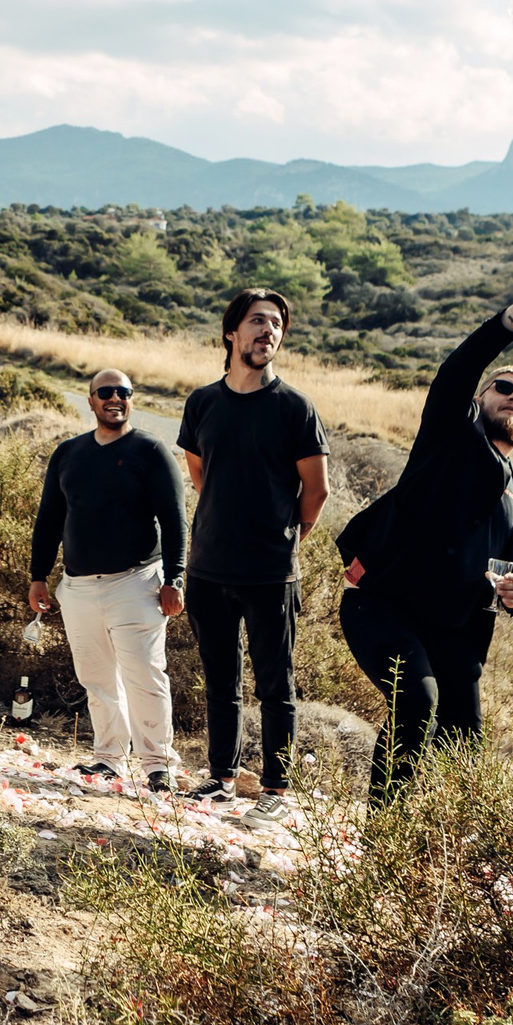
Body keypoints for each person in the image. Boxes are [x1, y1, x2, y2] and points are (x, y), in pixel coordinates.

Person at [336, 256, 513, 799]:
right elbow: (455, 372)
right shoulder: (450, 438)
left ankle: (433, 857)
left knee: (463, 750)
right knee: (416, 703)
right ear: (480, 401)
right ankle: (382, 845)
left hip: (460, 632)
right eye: (503, 388)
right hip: (384, 607)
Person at [177, 288, 330, 818]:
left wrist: (289, 538)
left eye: (277, 325)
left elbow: (317, 490)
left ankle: (277, 791)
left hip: (270, 572)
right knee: (220, 680)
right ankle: (220, 778)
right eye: (258, 321)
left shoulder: (294, 407)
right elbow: (200, 473)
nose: (269, 331)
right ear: (232, 332)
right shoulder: (202, 402)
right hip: (208, 569)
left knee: (275, 686)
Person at [27, 369, 189, 791]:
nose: (115, 398)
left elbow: (175, 521)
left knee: (145, 675)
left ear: (132, 399)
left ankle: (158, 766)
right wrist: (38, 576)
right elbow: (49, 519)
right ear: (91, 399)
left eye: (124, 392)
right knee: (97, 678)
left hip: (136, 583)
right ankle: (109, 759)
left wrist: (176, 577)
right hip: (78, 587)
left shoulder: (151, 451)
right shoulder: (68, 453)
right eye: (106, 392)